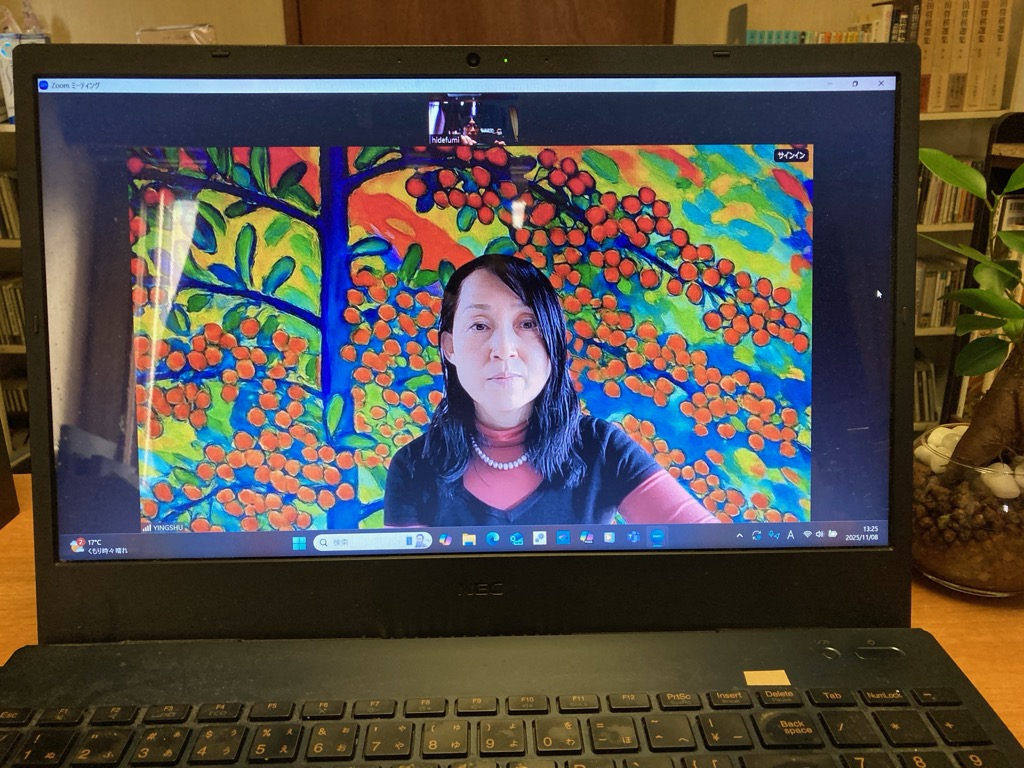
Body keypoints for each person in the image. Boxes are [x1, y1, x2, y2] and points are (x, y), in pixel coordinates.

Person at [383, 253, 720, 527]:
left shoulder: (602, 449)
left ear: (554, 340)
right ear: (449, 347)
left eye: (527, 323)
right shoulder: (413, 467)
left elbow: (712, 552)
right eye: (480, 325)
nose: (504, 349)